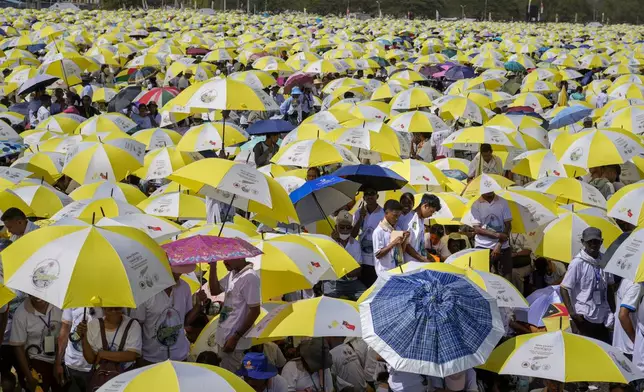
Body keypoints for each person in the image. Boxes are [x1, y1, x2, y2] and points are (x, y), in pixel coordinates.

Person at [132, 265, 206, 365]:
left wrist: (198, 305)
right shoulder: (145, 291)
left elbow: (184, 321)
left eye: (181, 271)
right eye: (176, 271)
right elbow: (138, 325)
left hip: (179, 356)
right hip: (151, 358)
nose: (179, 274)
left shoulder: (185, 287)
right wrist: (139, 355)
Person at [561, 227, 614, 343]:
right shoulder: (577, 263)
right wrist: (573, 314)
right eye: (590, 241)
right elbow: (564, 288)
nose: (593, 245)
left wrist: (613, 311)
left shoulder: (605, 261)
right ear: (583, 242)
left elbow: (609, 287)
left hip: (602, 316)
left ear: (601, 242)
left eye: (596, 241)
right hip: (583, 317)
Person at [208, 257, 261, 372]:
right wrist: (213, 267)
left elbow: (255, 311)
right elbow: (215, 290)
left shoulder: (249, 277)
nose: (224, 262)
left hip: (235, 343)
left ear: (240, 257)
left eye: (228, 259)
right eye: (223, 258)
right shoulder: (233, 274)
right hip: (224, 338)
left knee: (231, 379)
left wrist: (235, 337)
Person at [9, 295, 63, 392]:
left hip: (60, 359)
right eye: (33, 293)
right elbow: (18, 347)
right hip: (36, 360)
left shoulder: (60, 306)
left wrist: (58, 363)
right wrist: (29, 377)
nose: (38, 296)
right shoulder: (21, 313)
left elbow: (65, 335)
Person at [80, 307, 141, 387]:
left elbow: (131, 355)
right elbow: (90, 359)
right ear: (103, 309)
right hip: (100, 378)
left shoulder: (133, 325)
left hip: (126, 376)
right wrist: (83, 337)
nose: (114, 312)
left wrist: (102, 354)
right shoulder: (93, 325)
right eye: (109, 309)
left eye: (117, 308)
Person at [55, 308, 102, 391]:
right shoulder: (73, 300)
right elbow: (64, 333)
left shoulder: (106, 304)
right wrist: (58, 363)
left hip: (95, 366)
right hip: (71, 365)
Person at [470, 191, 513, 280]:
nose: (489, 190)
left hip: (503, 246)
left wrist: (499, 244)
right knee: (482, 278)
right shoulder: (476, 204)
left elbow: (508, 225)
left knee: (507, 278)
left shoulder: (503, 202)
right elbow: (477, 229)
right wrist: (497, 235)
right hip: (482, 246)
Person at [325, 211, 366, 300]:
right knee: (328, 299)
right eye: (342, 227)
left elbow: (359, 269)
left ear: (351, 228)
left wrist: (347, 273)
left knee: (365, 297)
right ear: (336, 227)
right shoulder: (330, 242)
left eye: (348, 227)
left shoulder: (355, 244)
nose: (345, 230)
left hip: (352, 283)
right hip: (334, 282)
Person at [352, 188, 385, 287]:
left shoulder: (383, 213)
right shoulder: (358, 213)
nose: (369, 196)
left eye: (372, 193)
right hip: (362, 259)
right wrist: (361, 218)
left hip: (377, 260)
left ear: (377, 196)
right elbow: (353, 235)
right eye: (367, 194)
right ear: (364, 197)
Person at [402, 194, 441, 264]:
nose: (431, 215)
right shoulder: (409, 219)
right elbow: (406, 245)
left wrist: (429, 257)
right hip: (409, 264)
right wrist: (422, 259)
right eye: (431, 211)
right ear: (425, 206)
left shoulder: (421, 220)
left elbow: (420, 245)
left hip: (419, 263)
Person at [372, 199, 407, 276]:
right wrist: (393, 243)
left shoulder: (397, 229)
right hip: (385, 273)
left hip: (397, 270)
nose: (397, 218)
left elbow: (402, 251)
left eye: (399, 216)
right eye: (395, 215)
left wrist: (405, 239)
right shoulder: (378, 231)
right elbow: (378, 254)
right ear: (386, 213)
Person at [612, 278, 642, 359]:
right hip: (631, 348)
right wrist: (636, 342)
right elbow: (622, 315)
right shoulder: (637, 285)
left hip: (623, 344)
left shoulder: (626, 279)